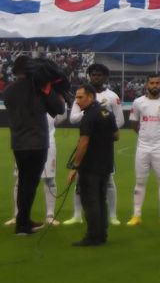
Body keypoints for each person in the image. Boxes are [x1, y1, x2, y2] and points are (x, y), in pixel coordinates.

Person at [3, 55, 66, 235]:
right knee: (30, 184)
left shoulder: (8, 91)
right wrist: (49, 89)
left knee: (24, 182)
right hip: (37, 142)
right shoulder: (39, 88)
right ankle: (23, 224)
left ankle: (22, 220)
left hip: (18, 142)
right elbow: (59, 109)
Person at [65, 63, 125, 226]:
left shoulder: (112, 96)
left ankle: (112, 215)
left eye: (99, 75)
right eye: (93, 74)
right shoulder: (82, 95)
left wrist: (104, 131)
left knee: (109, 179)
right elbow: (72, 118)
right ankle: (77, 215)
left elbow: (119, 120)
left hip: (103, 145)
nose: (96, 77)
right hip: (85, 140)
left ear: (105, 77)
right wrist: (92, 113)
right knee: (79, 178)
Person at [67, 84, 118, 246]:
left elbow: (83, 142)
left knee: (90, 201)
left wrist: (75, 166)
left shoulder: (88, 116)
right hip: (106, 163)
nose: (77, 101)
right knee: (101, 199)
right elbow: (116, 135)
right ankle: (102, 233)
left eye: (80, 97)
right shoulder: (106, 112)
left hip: (91, 165)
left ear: (90, 96)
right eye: (76, 97)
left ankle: (93, 236)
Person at [127, 74, 160, 226]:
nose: (154, 85)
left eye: (157, 83)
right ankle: (136, 215)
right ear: (146, 85)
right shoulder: (138, 102)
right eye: (152, 83)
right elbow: (134, 124)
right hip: (143, 147)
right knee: (140, 182)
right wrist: (145, 136)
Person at [4, 111, 67, 227]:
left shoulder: (50, 99)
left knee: (50, 180)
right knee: (20, 180)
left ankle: (50, 215)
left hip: (48, 143)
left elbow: (61, 116)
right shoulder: (23, 101)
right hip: (24, 143)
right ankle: (18, 215)